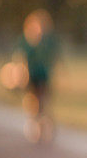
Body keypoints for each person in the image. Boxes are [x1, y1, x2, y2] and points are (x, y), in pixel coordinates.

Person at [13, 9, 60, 144]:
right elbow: (19, 56)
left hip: (44, 76)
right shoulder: (25, 40)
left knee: (44, 101)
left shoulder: (48, 41)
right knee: (33, 102)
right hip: (30, 76)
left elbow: (54, 57)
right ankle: (34, 123)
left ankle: (45, 125)